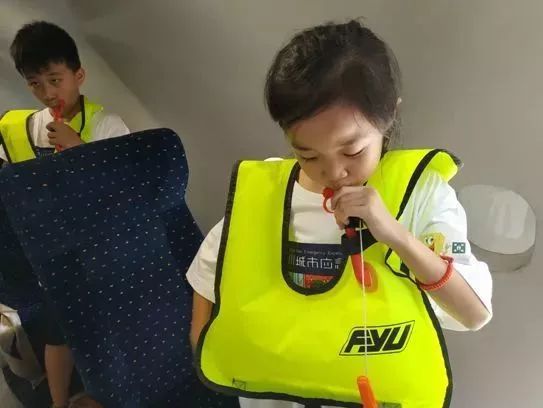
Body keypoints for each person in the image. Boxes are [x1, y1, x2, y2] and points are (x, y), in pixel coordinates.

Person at [189, 20, 493, 408]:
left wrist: (393, 233)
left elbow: (473, 314)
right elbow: (208, 290)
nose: (334, 172)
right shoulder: (265, 195)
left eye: (352, 151)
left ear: (389, 115)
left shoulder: (421, 194)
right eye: (308, 155)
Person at [0, 21, 128, 408]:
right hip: (51, 251)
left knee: (103, 329)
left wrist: (79, 151)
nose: (48, 93)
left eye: (55, 80)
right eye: (35, 84)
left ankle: (107, 392)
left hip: (101, 248)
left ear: (78, 76)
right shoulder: (24, 128)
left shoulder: (108, 126)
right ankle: (59, 401)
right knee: (59, 331)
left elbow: (125, 194)